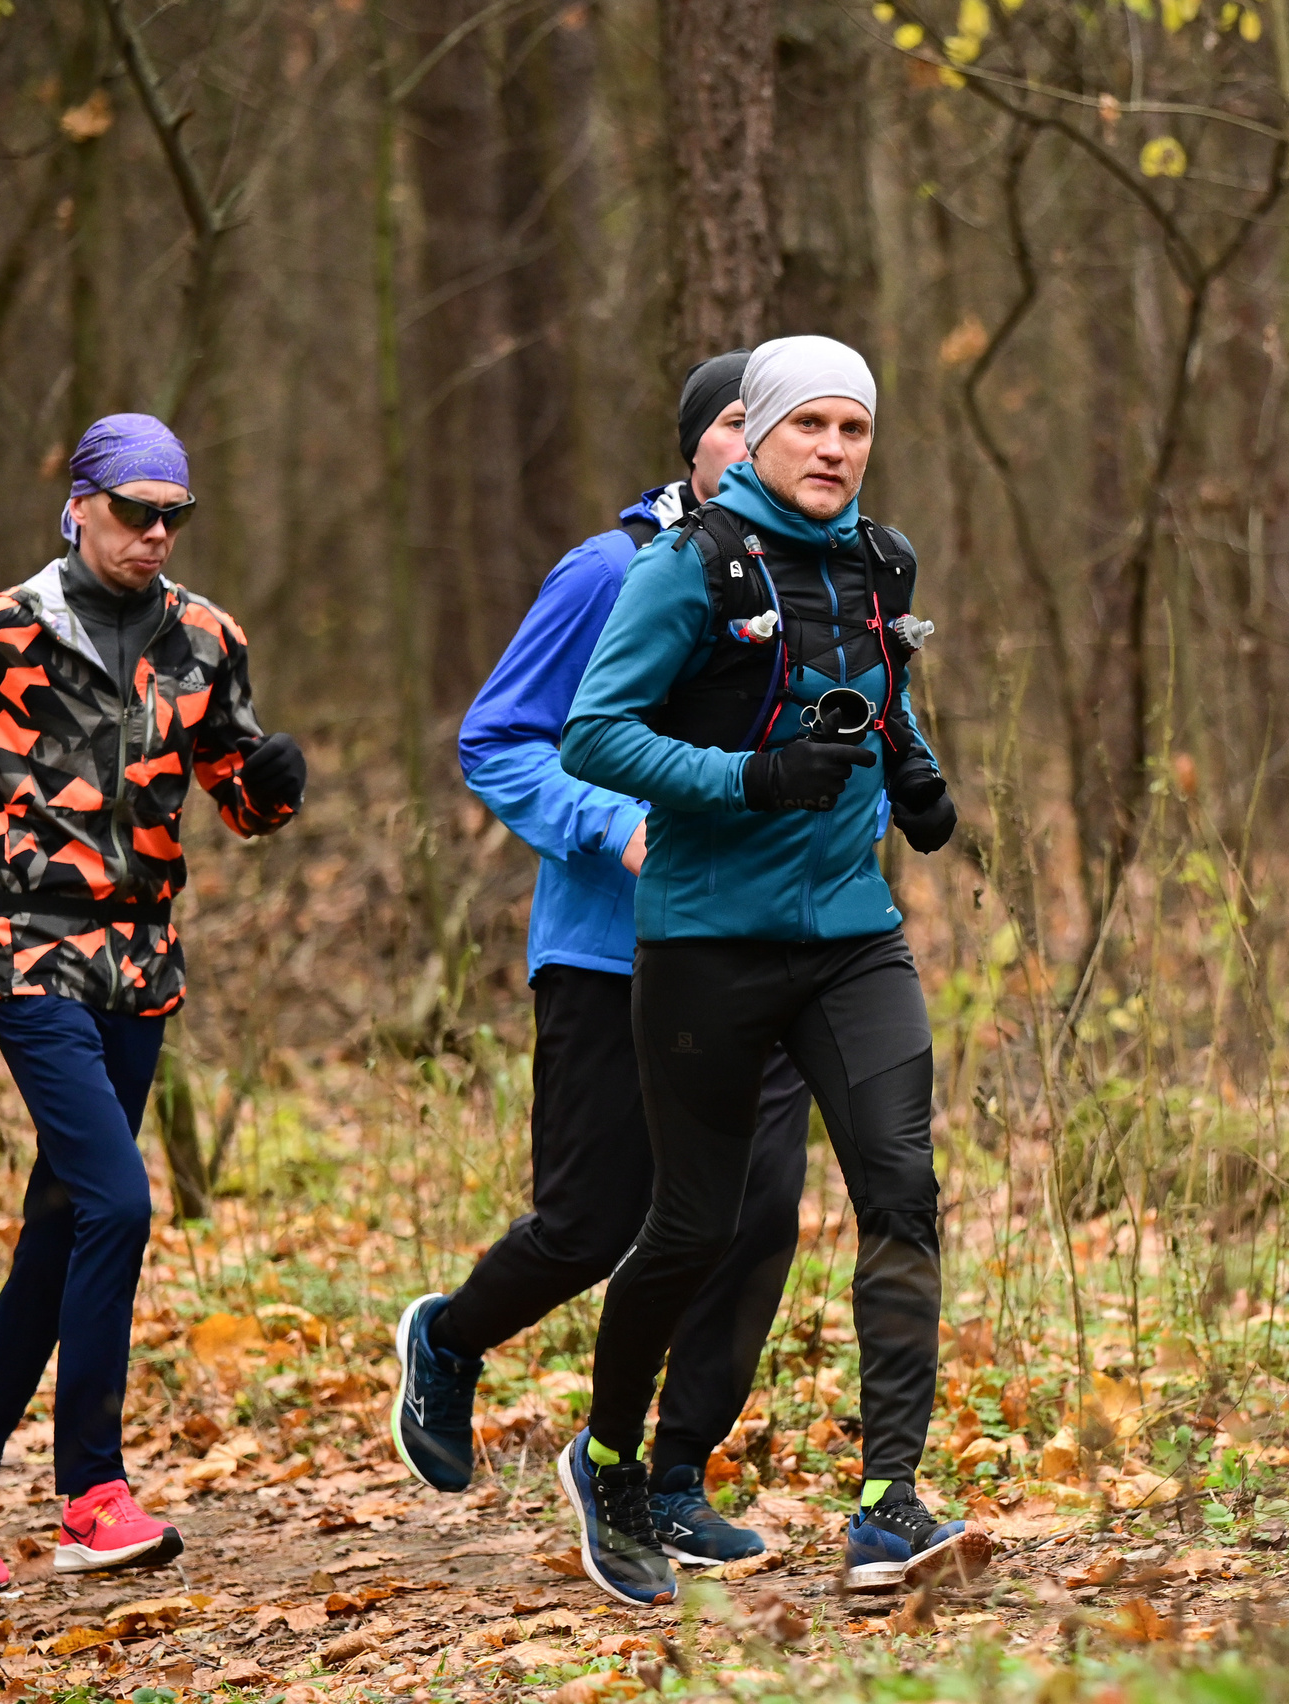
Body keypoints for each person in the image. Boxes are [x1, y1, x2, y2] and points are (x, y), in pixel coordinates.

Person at [0, 413, 307, 1594]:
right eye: (133, 510)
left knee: (64, 1234)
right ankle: (90, 1491)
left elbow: (237, 802)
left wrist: (269, 789)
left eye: (174, 517)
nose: (154, 534)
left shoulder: (205, 639)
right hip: (27, 952)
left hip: (142, 967)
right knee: (119, 1202)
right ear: (78, 505)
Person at [554, 334, 979, 1607]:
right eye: (811, 428)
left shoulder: (878, 558)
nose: (834, 451)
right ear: (767, 433)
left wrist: (911, 765)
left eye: (855, 430)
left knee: (902, 1191)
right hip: (705, 942)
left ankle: (886, 1504)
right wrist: (746, 779)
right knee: (695, 1226)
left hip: (852, 935)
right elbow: (593, 735)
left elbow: (875, 681)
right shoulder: (687, 568)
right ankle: (615, 1462)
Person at [387, 351, 811, 1566]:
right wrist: (610, 822)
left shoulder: (820, 577)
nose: (765, 442)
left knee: (756, 1213)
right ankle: (452, 1338)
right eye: (741, 422)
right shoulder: (612, 571)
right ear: (697, 445)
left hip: (761, 950)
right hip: (610, 956)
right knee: (590, 1221)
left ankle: (664, 1476)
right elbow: (497, 738)